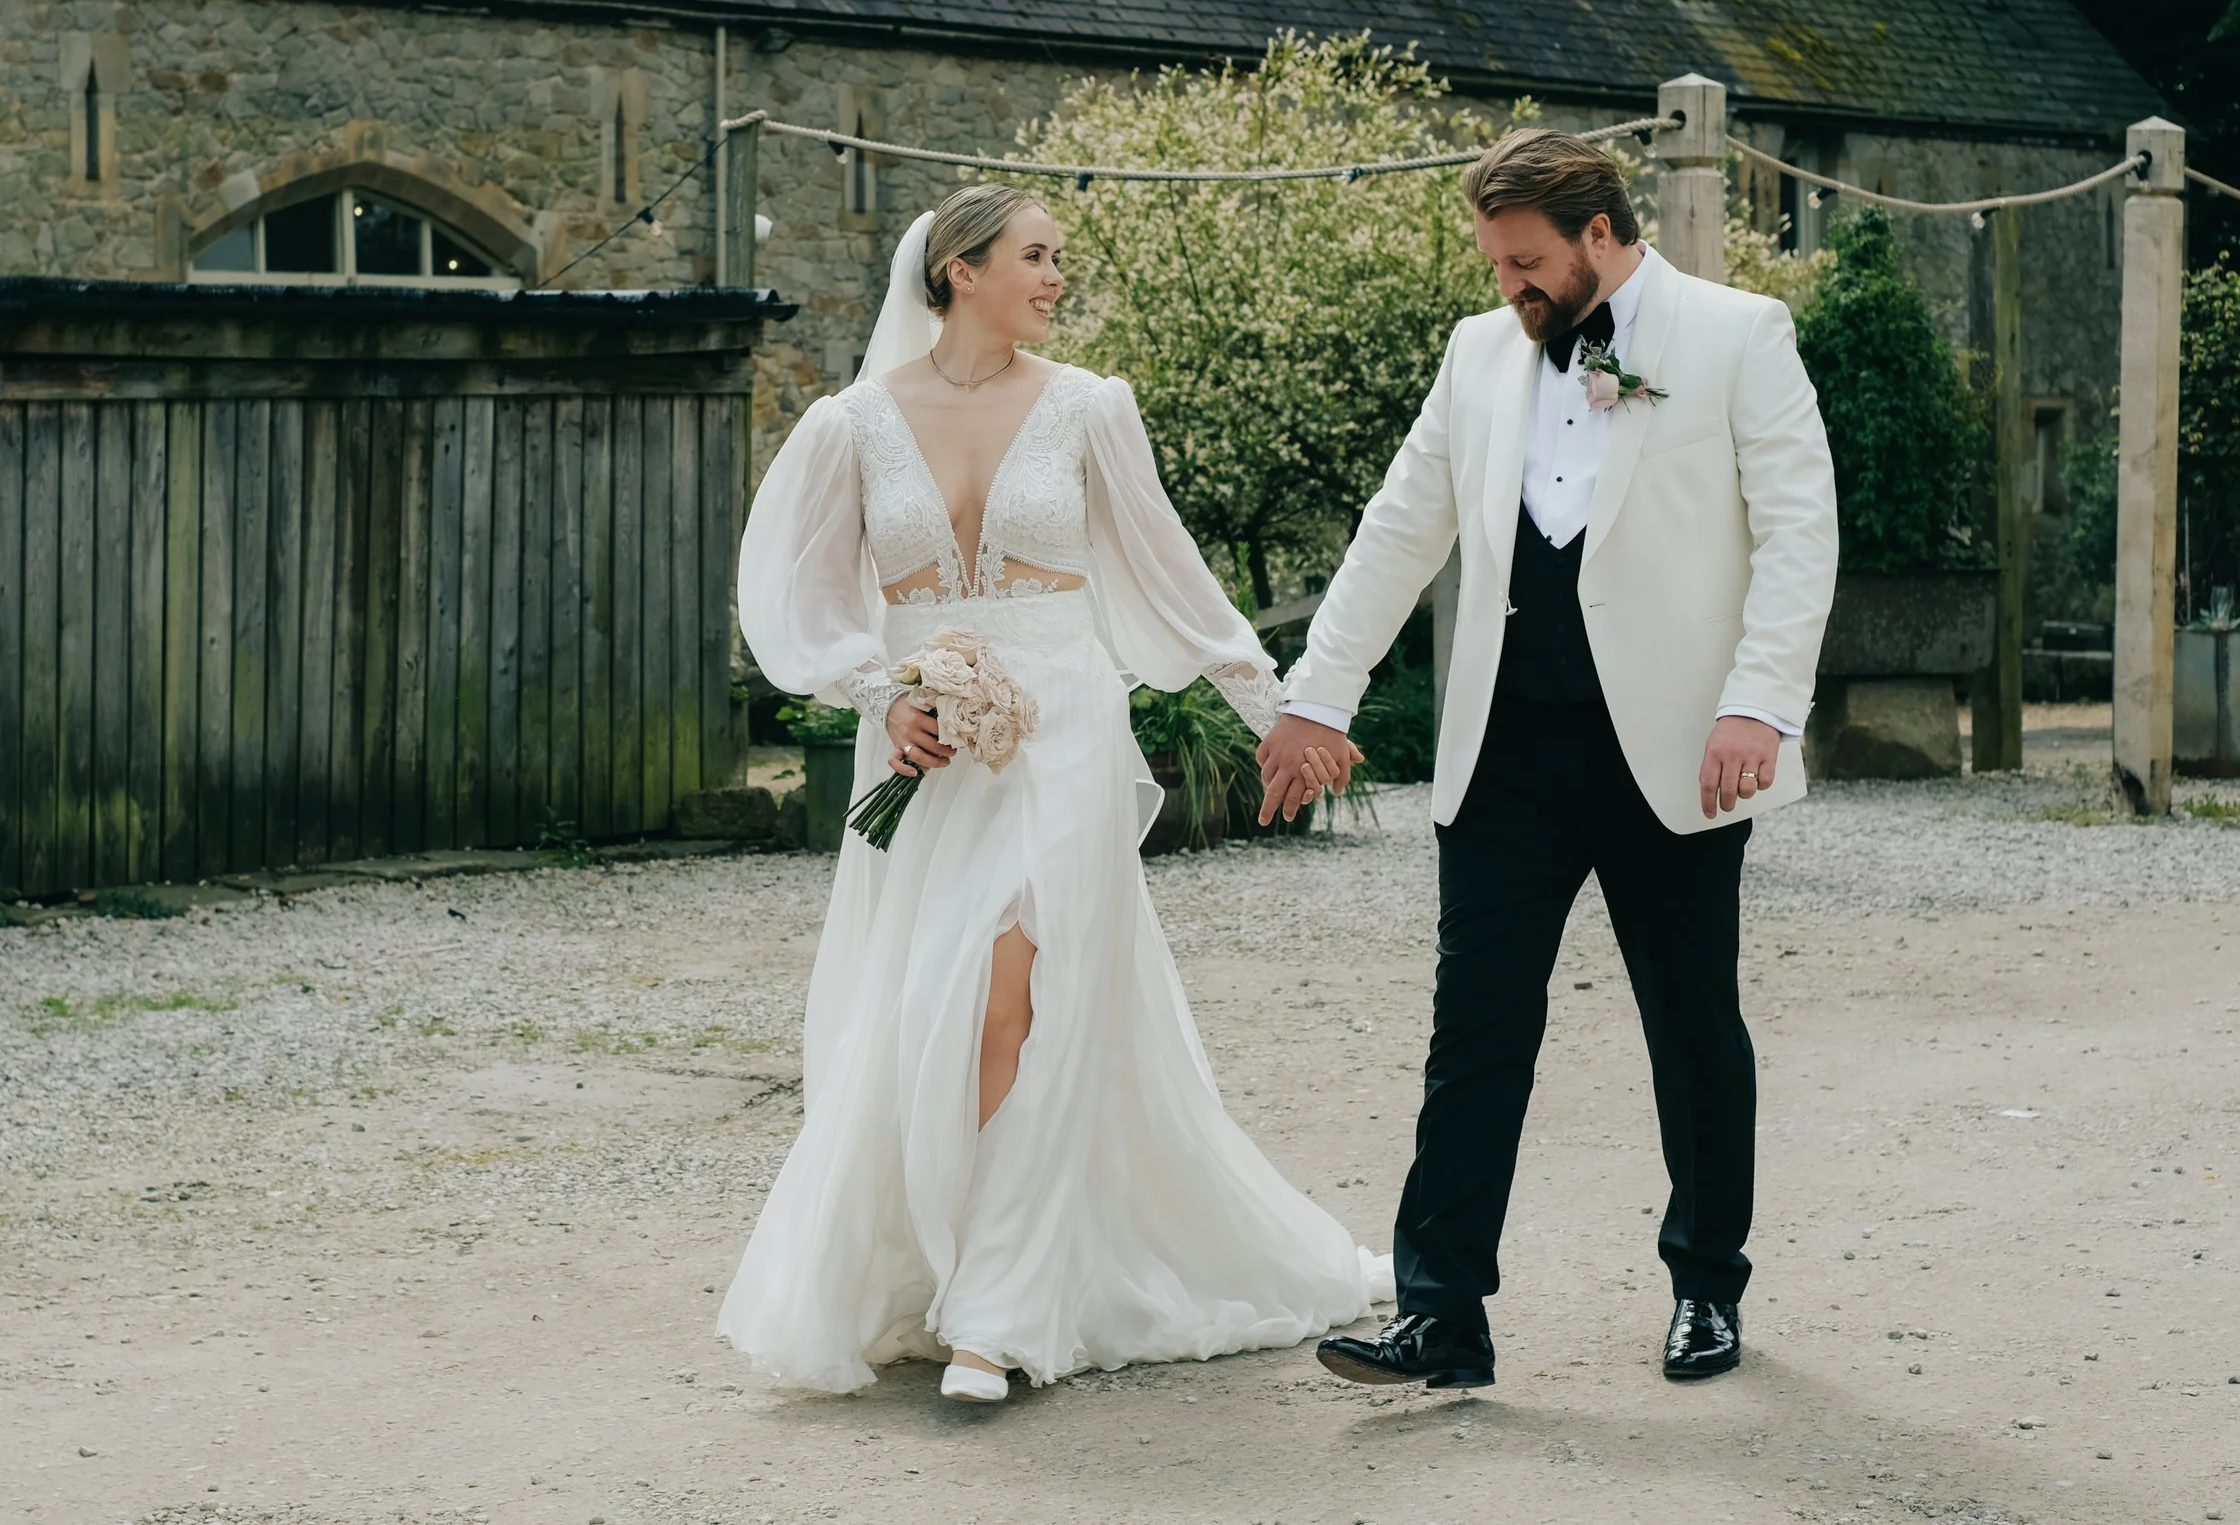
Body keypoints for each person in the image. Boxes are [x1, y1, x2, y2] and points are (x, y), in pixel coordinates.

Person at [721, 184, 1386, 1404]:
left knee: (1010, 1001)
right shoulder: (849, 424)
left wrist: (1279, 713)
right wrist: (887, 694)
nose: (1056, 277)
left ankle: (1000, 1311)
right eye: (1036, 255)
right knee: (927, 1001)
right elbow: (796, 598)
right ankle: (930, 1263)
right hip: (927, 753)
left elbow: (1168, 575)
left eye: (1057, 259)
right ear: (958, 269)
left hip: (1066, 736)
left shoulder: (1089, 409)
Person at [1259, 129, 1837, 1389]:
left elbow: (1800, 531)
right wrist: (1316, 699)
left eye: (1526, 263)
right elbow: (1399, 528)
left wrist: (1759, 704)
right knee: (1473, 1032)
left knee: (1690, 1028)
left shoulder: (1738, 335)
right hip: (1503, 753)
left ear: (1598, 233)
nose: (1509, 287)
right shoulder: (1480, 352)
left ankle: (1704, 1288)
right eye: (1494, 264)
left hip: (1678, 751)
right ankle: (1440, 1314)